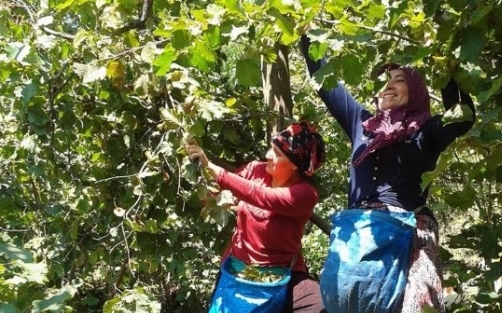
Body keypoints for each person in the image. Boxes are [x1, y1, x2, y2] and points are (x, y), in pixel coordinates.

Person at [299, 33, 476, 313]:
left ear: (416, 90)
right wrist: (304, 33)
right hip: (357, 241)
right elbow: (324, 81)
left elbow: (463, 115)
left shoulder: (426, 131)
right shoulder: (362, 124)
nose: (388, 86)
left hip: (404, 242)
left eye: (399, 79)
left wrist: (445, 67)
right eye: (384, 81)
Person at [185, 120, 327, 313]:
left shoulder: (305, 194)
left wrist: (212, 168)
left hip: (282, 270)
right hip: (237, 268)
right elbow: (223, 194)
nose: (268, 156)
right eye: (271, 148)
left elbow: (261, 196)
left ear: (295, 165)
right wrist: (201, 178)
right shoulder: (255, 170)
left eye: (277, 154)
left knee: (320, 306)